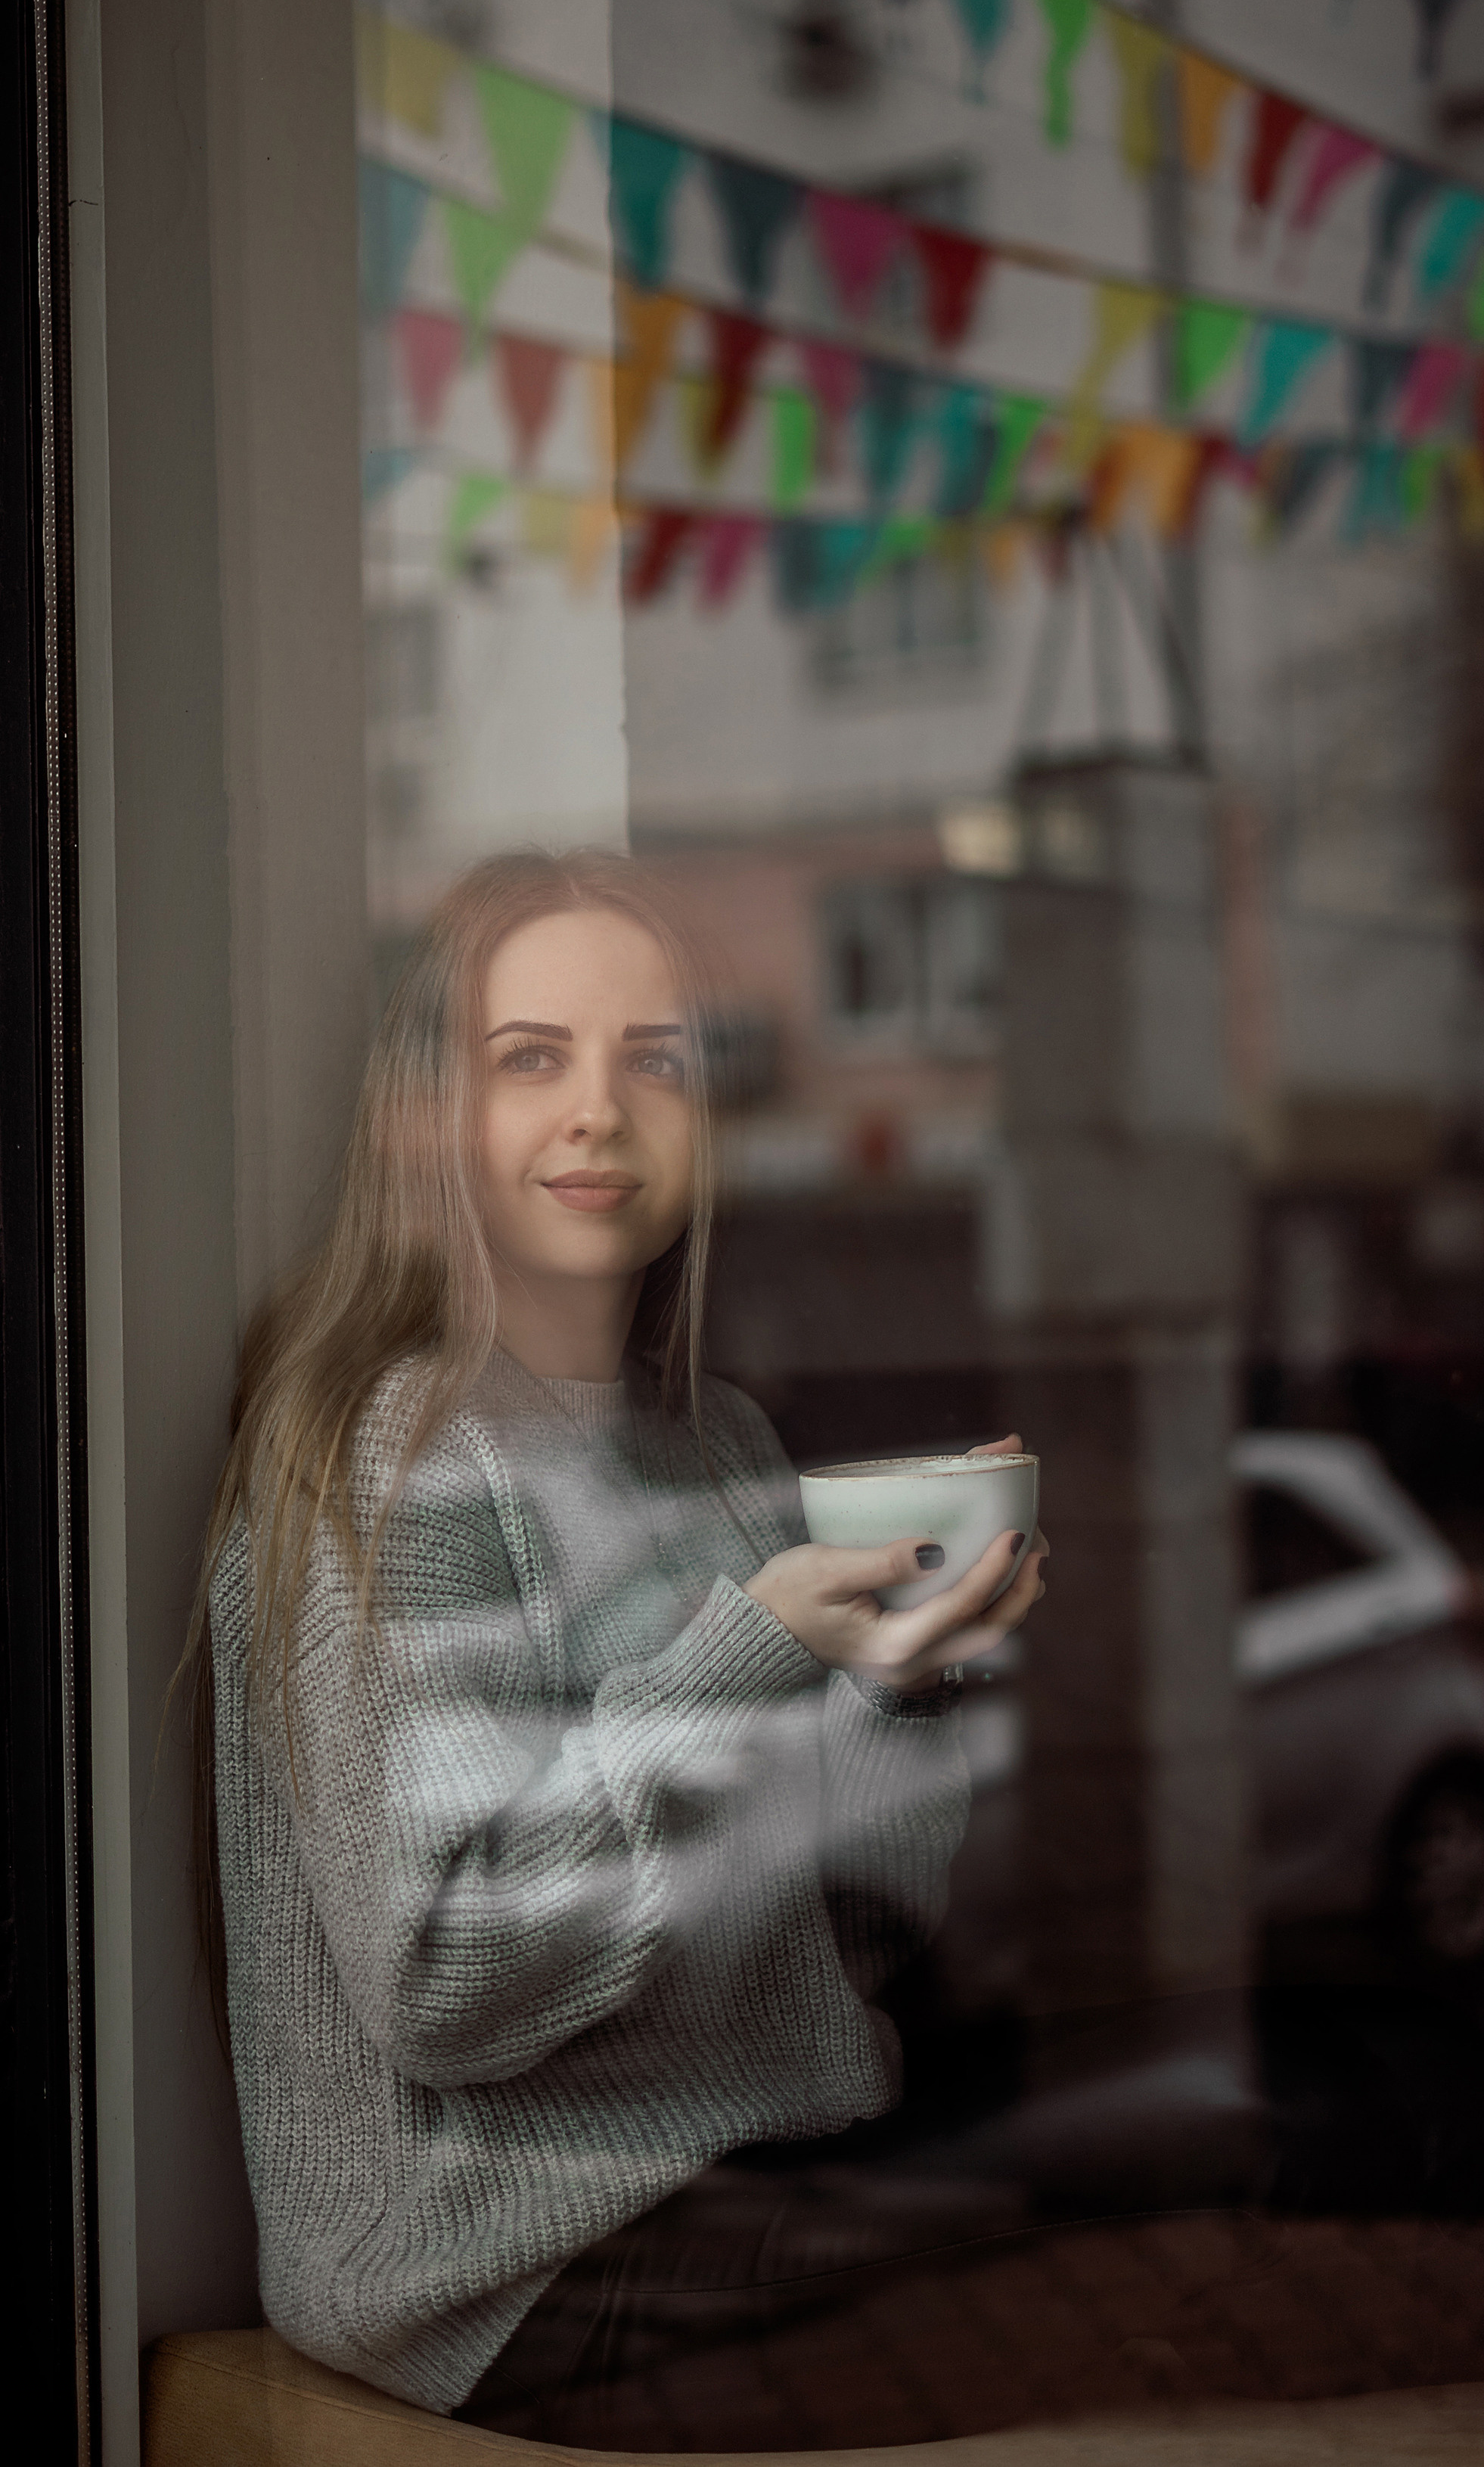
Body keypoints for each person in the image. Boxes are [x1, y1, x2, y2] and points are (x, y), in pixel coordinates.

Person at [183, 849, 1048, 2425]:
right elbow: (448, 1978)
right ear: (435, 1115)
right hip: (498, 2266)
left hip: (760, 2163)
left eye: (653, 1058)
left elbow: (859, 1930)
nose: (600, 1109)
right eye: (533, 1060)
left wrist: (904, 1691)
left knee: (1183, 2190)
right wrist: (744, 1660)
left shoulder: (723, 1444)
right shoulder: (403, 1452)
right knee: (1100, 2300)